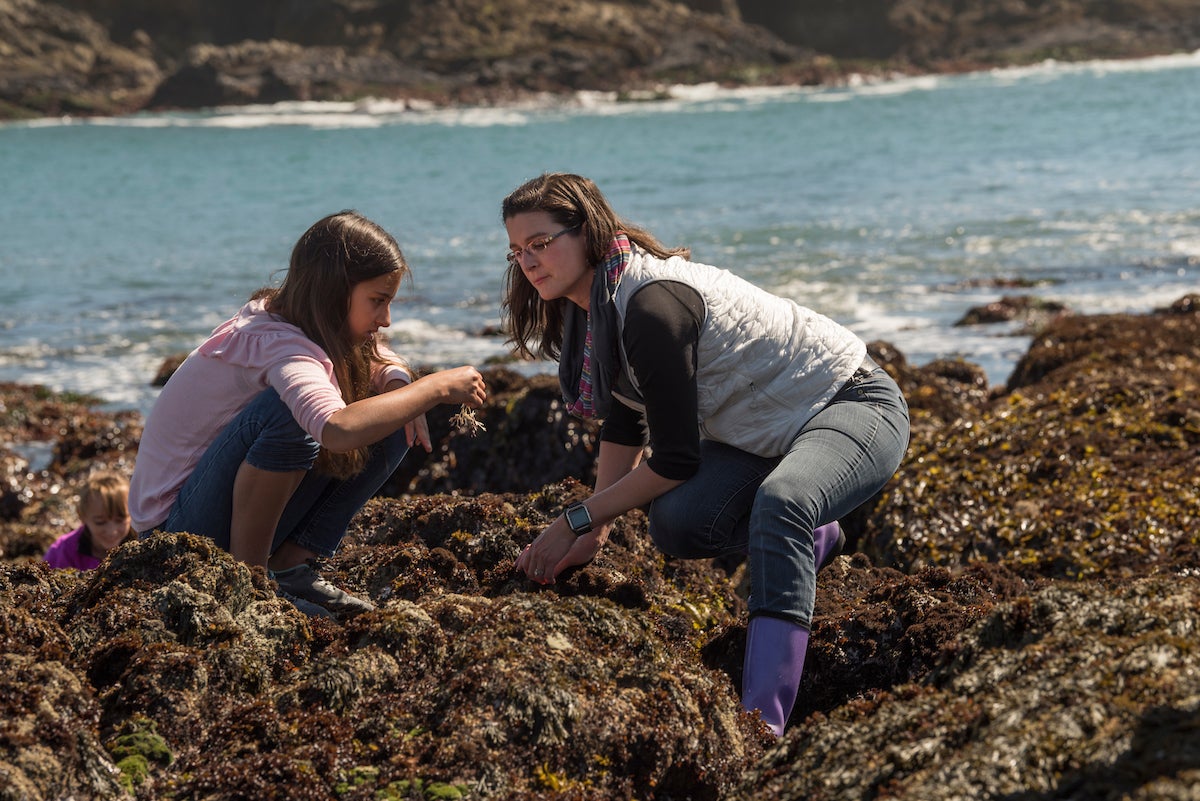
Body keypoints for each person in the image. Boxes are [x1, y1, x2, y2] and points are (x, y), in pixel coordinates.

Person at [500, 173, 909, 736]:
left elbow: (674, 459)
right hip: (762, 435)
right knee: (677, 523)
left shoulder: (649, 304)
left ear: (589, 230)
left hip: (848, 401)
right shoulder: (592, 307)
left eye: (541, 242)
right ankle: (817, 537)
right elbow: (626, 413)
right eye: (517, 249)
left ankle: (764, 720)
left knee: (783, 502)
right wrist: (595, 534)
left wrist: (577, 519)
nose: (528, 261)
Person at [129, 211, 487, 619]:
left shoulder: (295, 317)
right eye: (377, 301)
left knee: (391, 415)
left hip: (208, 514)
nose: (385, 319)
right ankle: (250, 584)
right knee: (288, 414)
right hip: (172, 538)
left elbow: (374, 356)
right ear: (333, 292)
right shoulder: (280, 345)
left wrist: (399, 383)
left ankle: (289, 566)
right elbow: (334, 429)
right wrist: (435, 387)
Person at [45, 470, 135, 570]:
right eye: (100, 522)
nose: (112, 531)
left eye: (120, 520)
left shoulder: (143, 542)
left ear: (133, 512)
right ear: (82, 516)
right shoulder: (62, 551)